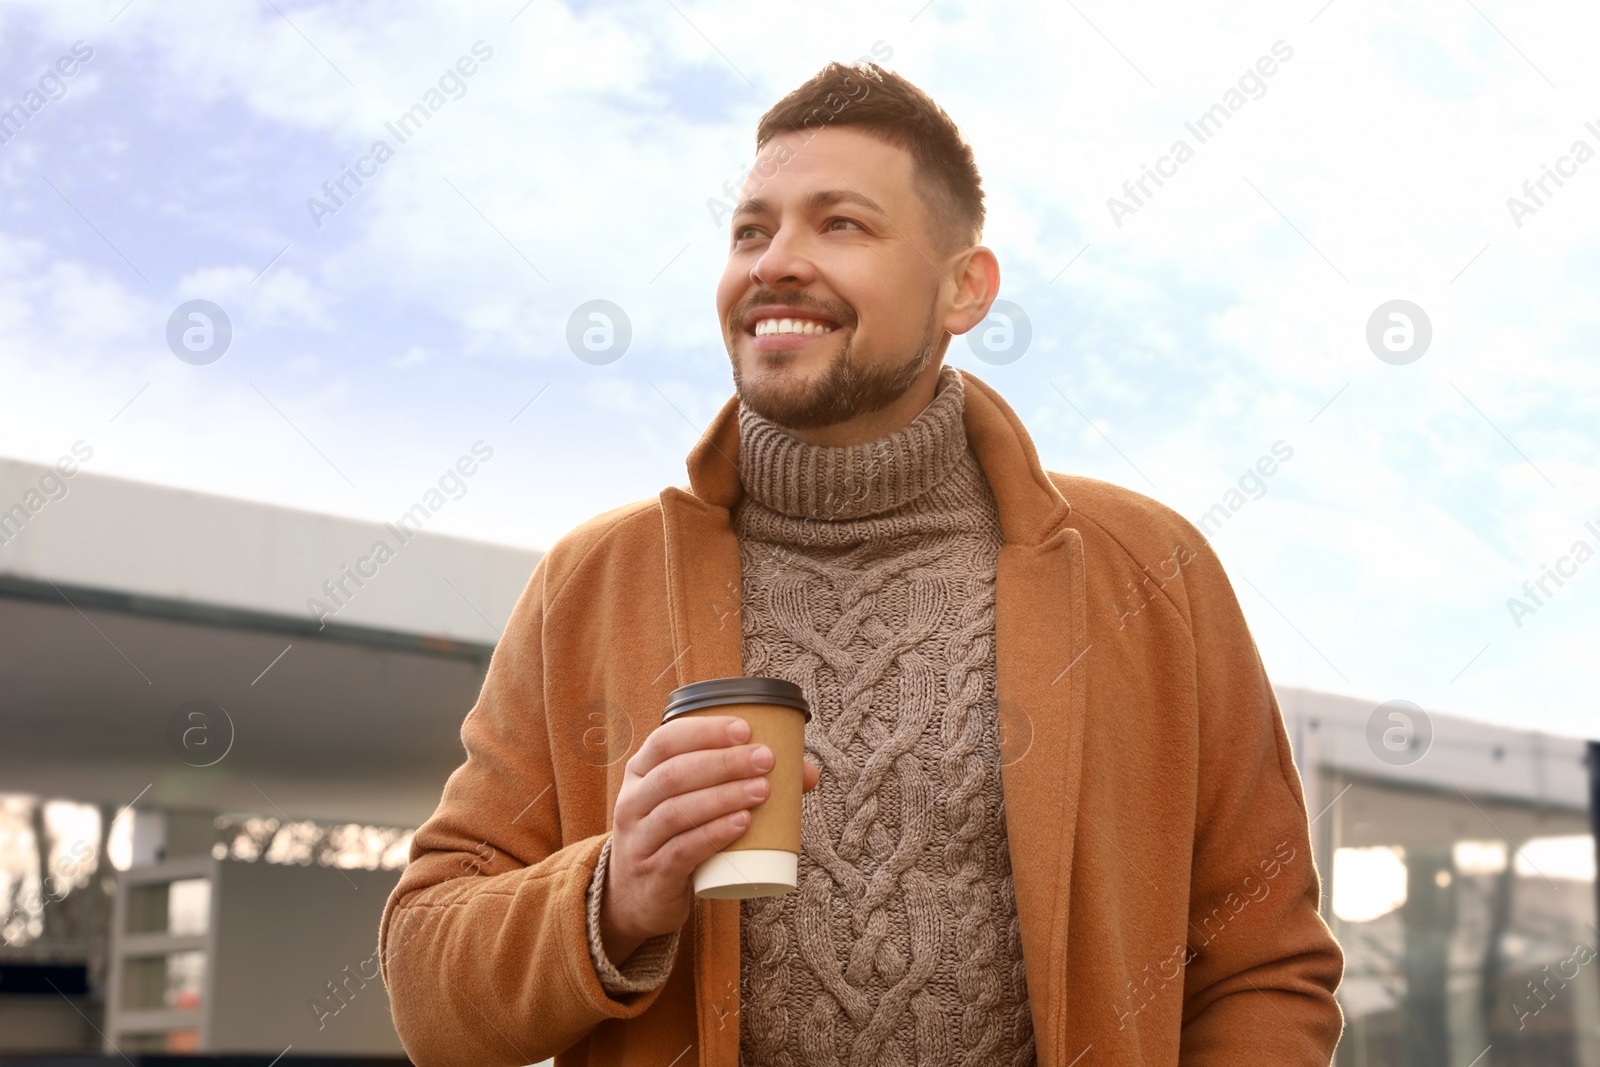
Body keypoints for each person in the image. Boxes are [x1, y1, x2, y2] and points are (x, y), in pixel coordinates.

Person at [379, 61, 1345, 1067]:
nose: (775, 263)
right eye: (751, 230)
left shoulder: (1152, 569)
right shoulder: (592, 581)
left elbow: (1262, 966)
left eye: (839, 224)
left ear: (964, 288)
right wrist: (613, 894)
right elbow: (425, 988)